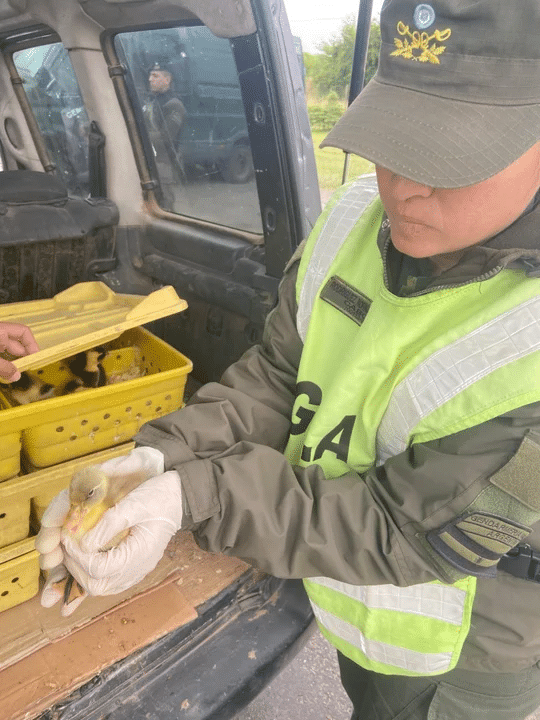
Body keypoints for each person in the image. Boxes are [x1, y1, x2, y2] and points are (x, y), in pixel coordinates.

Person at [36, 1, 540, 717]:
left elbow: (405, 529)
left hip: (464, 656)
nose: (403, 185)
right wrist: (157, 459)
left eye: (450, 154)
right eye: (394, 140)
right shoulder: (354, 220)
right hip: (348, 602)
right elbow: (278, 378)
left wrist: (195, 496)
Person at [143, 62, 186, 207]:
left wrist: (138, 135)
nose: (150, 79)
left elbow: (165, 138)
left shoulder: (174, 105)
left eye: (155, 75)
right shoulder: (151, 100)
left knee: (164, 204)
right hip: (148, 159)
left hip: (163, 162)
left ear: (167, 80)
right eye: (150, 75)